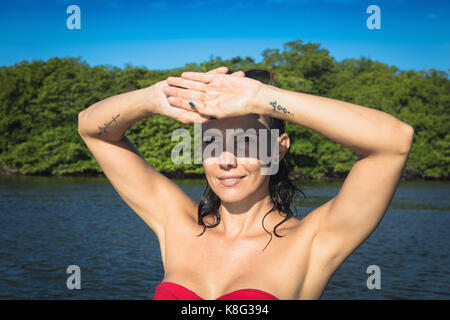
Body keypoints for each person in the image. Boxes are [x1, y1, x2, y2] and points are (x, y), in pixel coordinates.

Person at [77, 66, 414, 300]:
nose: (226, 159)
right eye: (212, 144)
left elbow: (393, 141)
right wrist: (155, 98)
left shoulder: (313, 241)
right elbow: (93, 129)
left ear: (278, 150)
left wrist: (261, 98)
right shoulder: (176, 223)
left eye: (246, 143)